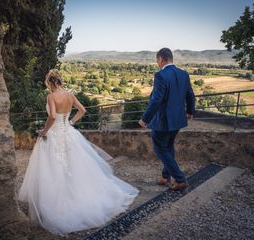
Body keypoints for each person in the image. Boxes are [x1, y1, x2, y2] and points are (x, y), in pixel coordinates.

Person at [18, 69, 139, 235]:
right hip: (68, 133)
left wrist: (43, 132)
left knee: (54, 168)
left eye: (47, 84)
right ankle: (79, 195)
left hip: (54, 135)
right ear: (59, 81)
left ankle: (57, 201)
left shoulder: (52, 96)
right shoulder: (69, 95)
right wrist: (71, 123)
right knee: (74, 166)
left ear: (50, 83)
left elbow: (52, 117)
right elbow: (82, 110)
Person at [139, 48, 195, 191]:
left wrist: (145, 118)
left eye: (157, 60)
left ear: (161, 59)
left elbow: (156, 100)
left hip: (162, 121)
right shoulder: (183, 74)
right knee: (168, 147)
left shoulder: (160, 75)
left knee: (160, 149)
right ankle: (166, 177)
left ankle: (181, 179)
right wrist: (189, 111)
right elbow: (190, 94)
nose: (157, 63)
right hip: (178, 119)